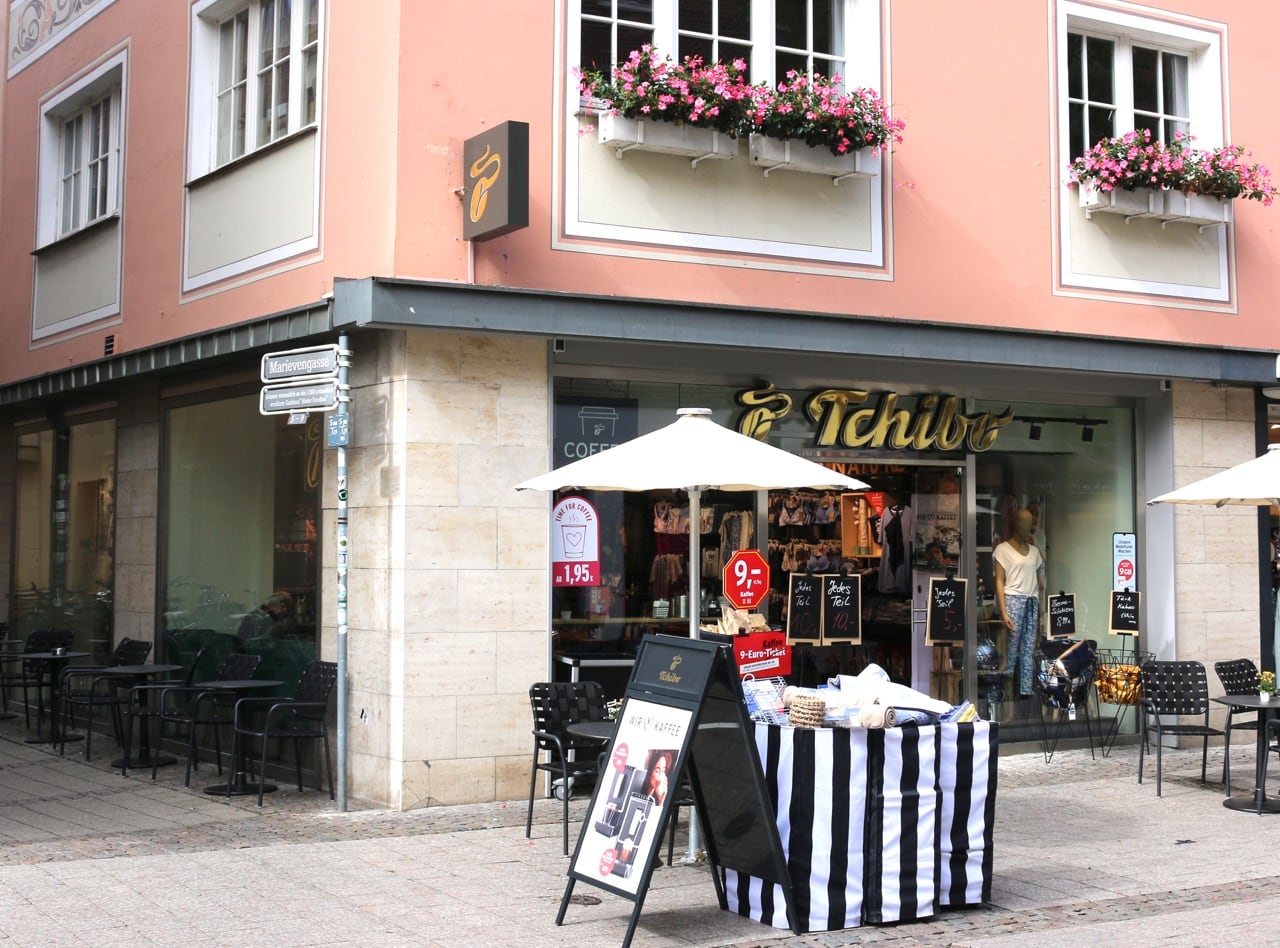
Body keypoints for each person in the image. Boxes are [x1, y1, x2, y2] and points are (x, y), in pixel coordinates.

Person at [994, 509, 1045, 698]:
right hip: (1013, 599)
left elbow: (1038, 581)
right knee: (1011, 646)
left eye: (1030, 523)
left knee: (1028, 647)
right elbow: (999, 580)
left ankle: (1025, 690)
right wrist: (1003, 611)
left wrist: (1040, 609)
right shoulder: (1003, 550)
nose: (1028, 527)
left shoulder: (1034, 552)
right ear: (1016, 524)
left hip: (1031, 600)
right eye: (1025, 523)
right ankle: (1006, 690)